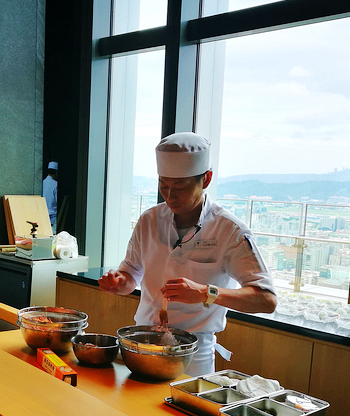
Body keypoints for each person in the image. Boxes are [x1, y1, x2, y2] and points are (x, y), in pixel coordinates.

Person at [98, 132, 277, 376]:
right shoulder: (149, 220)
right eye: (164, 186)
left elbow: (266, 300)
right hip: (141, 345)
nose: (170, 197)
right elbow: (131, 276)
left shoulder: (229, 231)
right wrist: (118, 282)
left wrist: (206, 293)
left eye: (180, 188)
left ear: (206, 179)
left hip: (193, 354)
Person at [42, 161, 58, 233]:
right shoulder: (55, 184)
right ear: (56, 172)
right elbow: (56, 199)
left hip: (43, 212)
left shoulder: (42, 183)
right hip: (52, 214)